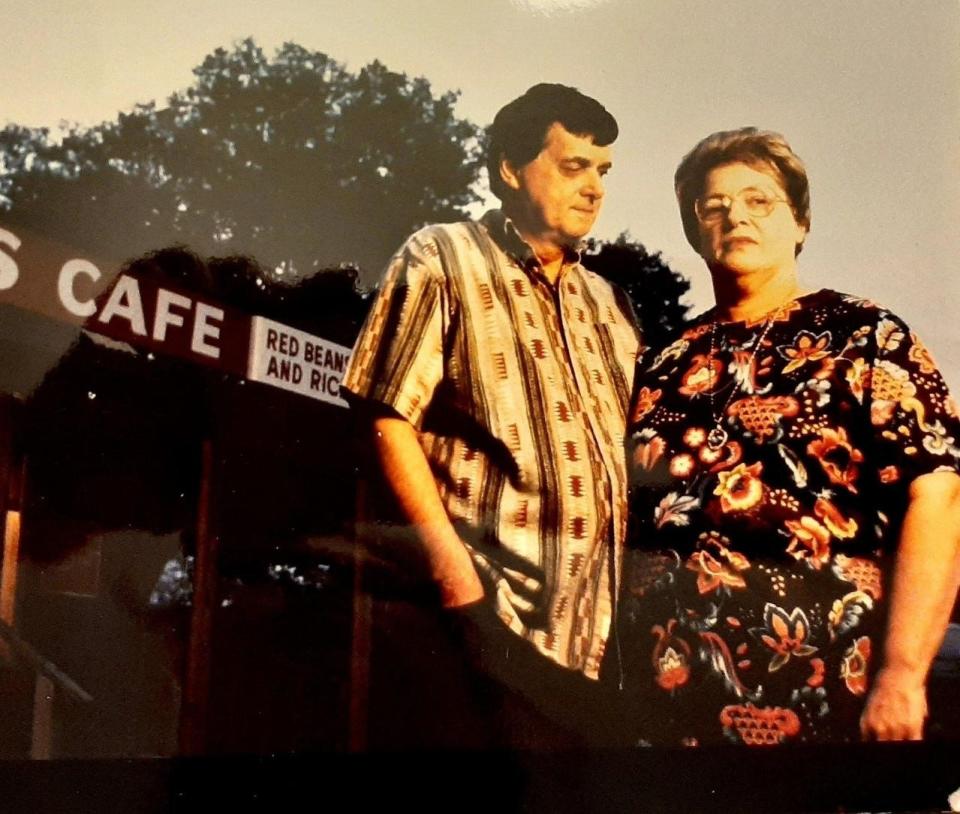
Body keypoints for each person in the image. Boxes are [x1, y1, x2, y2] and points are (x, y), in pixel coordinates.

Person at [612, 127, 960, 746]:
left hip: (828, 700)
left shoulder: (868, 337)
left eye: (758, 200)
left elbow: (937, 499)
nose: (734, 216)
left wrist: (903, 674)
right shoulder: (662, 361)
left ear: (799, 222)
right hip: (669, 711)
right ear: (695, 232)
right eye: (713, 206)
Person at [342, 83, 640, 747]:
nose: (594, 188)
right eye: (573, 166)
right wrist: (456, 582)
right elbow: (387, 417)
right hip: (487, 628)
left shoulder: (611, 306)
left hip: (593, 653)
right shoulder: (443, 256)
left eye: (603, 171)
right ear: (510, 167)